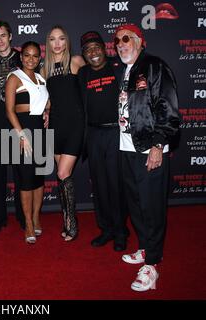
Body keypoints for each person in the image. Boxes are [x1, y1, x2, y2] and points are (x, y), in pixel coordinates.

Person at [114, 24, 180, 291]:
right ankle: (145, 248)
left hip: (149, 149)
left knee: (152, 207)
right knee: (136, 204)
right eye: (117, 40)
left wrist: (158, 145)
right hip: (128, 147)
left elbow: (167, 107)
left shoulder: (154, 66)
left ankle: (152, 264)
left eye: (127, 39)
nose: (121, 44)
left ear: (141, 41)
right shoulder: (126, 70)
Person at [77, 31, 129, 251]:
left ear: (104, 48)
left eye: (96, 47)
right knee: (99, 185)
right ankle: (106, 229)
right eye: (88, 49)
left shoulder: (119, 68)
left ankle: (120, 231)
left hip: (116, 133)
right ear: (84, 54)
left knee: (116, 184)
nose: (93, 52)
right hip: (94, 135)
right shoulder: (82, 74)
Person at [41, 26, 85, 241]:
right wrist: (46, 111)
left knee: (62, 173)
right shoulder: (44, 70)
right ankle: (67, 217)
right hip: (55, 126)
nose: (57, 43)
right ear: (48, 43)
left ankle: (72, 224)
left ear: (66, 41)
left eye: (61, 39)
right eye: (52, 39)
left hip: (76, 125)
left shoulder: (76, 62)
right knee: (63, 177)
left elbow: (90, 90)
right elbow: (46, 101)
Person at [5, 41, 50, 244]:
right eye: (27, 55)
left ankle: (36, 217)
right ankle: (28, 223)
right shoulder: (14, 78)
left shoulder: (41, 79)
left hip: (40, 131)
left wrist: (47, 112)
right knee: (25, 180)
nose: (31, 59)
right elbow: (9, 110)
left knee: (39, 178)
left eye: (34, 56)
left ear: (38, 58)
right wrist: (21, 135)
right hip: (21, 132)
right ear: (21, 57)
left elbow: (46, 103)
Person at [0, 20, 25, 236]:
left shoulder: (25, 58)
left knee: (22, 173)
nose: (0, 40)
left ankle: (22, 216)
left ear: (10, 36)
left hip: (19, 123)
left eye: (3, 35)